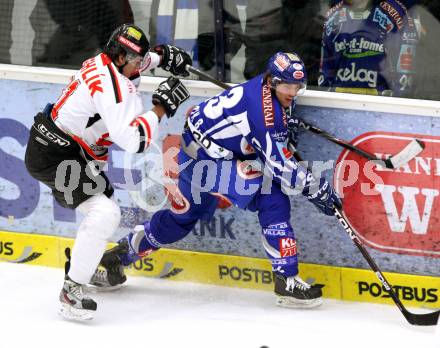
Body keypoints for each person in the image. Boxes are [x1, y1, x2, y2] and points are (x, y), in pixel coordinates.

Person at [91, 52, 342, 309]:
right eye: (287, 85)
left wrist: (283, 131)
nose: (292, 91)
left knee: (184, 217)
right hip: (206, 162)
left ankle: (116, 258)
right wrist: (317, 189)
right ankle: (286, 280)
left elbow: (266, 134)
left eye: (297, 86)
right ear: (272, 80)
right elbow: (278, 163)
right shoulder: (263, 112)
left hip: (194, 154)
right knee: (272, 197)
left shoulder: (268, 89)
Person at [24, 23, 192, 321]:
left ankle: (84, 266)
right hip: (56, 155)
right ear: (119, 57)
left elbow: (135, 62)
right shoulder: (115, 88)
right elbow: (135, 142)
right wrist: (161, 108)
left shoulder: (109, 63)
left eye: (141, 61)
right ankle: (71, 291)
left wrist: (162, 57)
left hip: (65, 150)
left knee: (103, 200)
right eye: (136, 61)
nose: (139, 66)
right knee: (105, 213)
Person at [318, 0, 419, 97]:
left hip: (382, 107)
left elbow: (404, 81)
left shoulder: (397, 13)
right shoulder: (333, 16)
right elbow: (326, 75)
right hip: (340, 105)